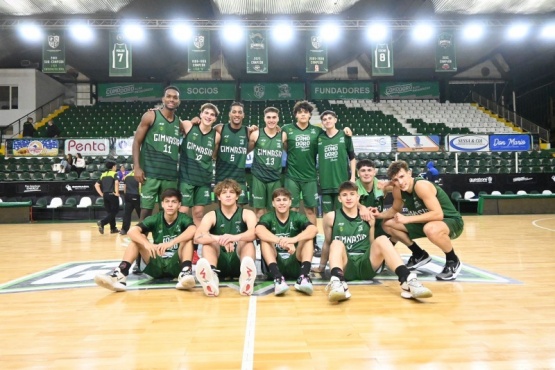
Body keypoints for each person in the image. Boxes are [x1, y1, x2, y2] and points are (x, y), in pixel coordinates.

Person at [317, 181, 432, 302]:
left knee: (382, 239)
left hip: (366, 263)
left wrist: (382, 259)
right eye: (344, 195)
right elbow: (327, 243)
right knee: (336, 243)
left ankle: (407, 281)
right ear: (339, 199)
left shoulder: (368, 216)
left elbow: (372, 243)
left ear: (358, 197)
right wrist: (322, 266)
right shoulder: (330, 217)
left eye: (352, 194)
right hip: (346, 265)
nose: (349, 198)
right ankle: (338, 282)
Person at [375, 160, 464, 281]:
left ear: (409, 173)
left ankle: (453, 260)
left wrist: (408, 219)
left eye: (402, 176)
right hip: (425, 222)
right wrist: (377, 215)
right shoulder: (397, 189)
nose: (400, 182)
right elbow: (395, 209)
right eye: (395, 180)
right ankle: (419, 254)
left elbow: (438, 214)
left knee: (430, 229)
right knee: (388, 224)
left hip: (449, 220)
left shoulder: (421, 186)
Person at [94, 188, 197, 292]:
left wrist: (171, 243)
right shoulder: (156, 218)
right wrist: (147, 244)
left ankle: (185, 273)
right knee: (138, 239)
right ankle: (120, 275)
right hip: (156, 262)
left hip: (176, 264)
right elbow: (131, 231)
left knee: (187, 240)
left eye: (174, 202)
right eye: (167, 202)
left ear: (179, 205)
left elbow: (193, 229)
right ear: (162, 204)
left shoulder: (183, 218)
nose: (170, 205)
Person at [194, 179, 257, 297]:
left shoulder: (247, 213)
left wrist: (234, 237)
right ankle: (211, 277)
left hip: (239, 259)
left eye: (232, 192)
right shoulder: (211, 215)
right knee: (209, 243)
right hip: (219, 261)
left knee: (247, 242)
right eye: (224, 192)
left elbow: (254, 233)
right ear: (218, 196)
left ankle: (246, 278)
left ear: (237, 196)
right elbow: (198, 237)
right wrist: (219, 239)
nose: (228, 195)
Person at [132, 86, 182, 221]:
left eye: (175, 97)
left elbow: (194, 128)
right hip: (150, 174)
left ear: (179, 101)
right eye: (169, 96)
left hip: (170, 176)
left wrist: (196, 121)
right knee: (146, 212)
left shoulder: (179, 123)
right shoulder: (151, 116)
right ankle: (140, 241)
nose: (171, 99)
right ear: (163, 99)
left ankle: (164, 241)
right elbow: (136, 142)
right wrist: (136, 167)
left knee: (168, 213)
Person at [255, 188, 317, 295]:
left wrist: (293, 240)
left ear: (290, 202)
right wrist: (280, 241)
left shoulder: (297, 217)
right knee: (264, 239)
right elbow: (258, 230)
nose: (282, 203)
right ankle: (278, 278)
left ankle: (303, 277)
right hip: (275, 262)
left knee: (308, 238)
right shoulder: (268, 217)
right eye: (278, 200)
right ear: (273, 203)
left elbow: (314, 230)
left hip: (295, 261)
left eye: (285, 199)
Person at [178, 103, 221, 226]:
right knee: (183, 210)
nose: (208, 116)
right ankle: (180, 241)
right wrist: (157, 111)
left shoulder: (216, 137)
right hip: (186, 178)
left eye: (212, 115)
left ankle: (197, 243)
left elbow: (213, 156)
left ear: (215, 119)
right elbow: (171, 121)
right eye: (206, 113)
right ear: (201, 114)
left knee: (198, 213)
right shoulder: (188, 125)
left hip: (203, 179)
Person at [317, 110, 356, 214]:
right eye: (324, 119)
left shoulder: (344, 135)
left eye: (330, 118)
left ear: (335, 120)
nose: (327, 121)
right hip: (325, 183)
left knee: (343, 213)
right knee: (327, 214)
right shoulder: (319, 138)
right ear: (322, 123)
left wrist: (352, 177)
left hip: (341, 182)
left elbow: (352, 158)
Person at [248, 106, 283, 219]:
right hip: (259, 176)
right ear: (264, 118)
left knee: (274, 209)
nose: (271, 120)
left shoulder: (283, 135)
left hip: (275, 177)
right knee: (259, 210)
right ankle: (260, 235)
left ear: (278, 119)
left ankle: (272, 234)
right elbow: (246, 150)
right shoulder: (256, 134)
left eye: (274, 117)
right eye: (268, 117)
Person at [214, 102, 251, 205]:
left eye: (240, 112)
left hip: (239, 178)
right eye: (234, 112)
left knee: (239, 211)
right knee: (222, 210)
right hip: (222, 177)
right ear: (229, 114)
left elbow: (249, 148)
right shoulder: (220, 128)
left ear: (243, 115)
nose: (237, 114)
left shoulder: (247, 131)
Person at [355, 159, 387, 237]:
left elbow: (399, 186)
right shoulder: (353, 188)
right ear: (358, 173)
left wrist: (389, 184)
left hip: (379, 225)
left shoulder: (382, 186)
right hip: (359, 226)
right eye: (363, 171)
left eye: (369, 170)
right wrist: (361, 207)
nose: (366, 173)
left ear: (374, 172)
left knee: (395, 223)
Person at [94, 161, 120, 235]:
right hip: (112, 194)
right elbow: (116, 182)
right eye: (115, 166)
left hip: (105, 195)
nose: (116, 167)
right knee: (114, 211)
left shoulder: (103, 174)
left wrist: (102, 194)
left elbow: (96, 185)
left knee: (110, 212)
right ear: (113, 167)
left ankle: (113, 228)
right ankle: (102, 222)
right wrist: (117, 192)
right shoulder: (114, 174)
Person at [120, 170, 141, 235]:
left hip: (128, 196)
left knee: (127, 214)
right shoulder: (139, 176)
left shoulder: (127, 177)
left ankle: (124, 230)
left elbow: (124, 188)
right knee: (141, 214)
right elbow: (140, 187)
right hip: (136, 196)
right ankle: (144, 228)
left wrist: (126, 195)